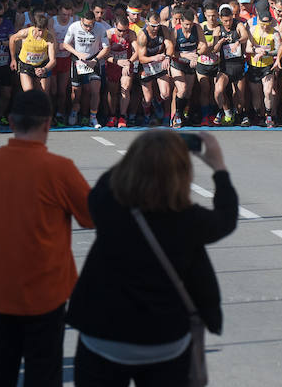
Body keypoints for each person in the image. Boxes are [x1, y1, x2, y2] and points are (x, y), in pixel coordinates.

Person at [66, 130, 237, 387]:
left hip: (103, 334)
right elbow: (226, 218)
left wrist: (143, 154)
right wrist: (219, 168)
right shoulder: (187, 219)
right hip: (164, 339)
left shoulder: (108, 204)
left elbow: (105, 183)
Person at [0, 90, 94, 386]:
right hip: (45, 295)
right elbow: (90, 217)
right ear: (48, 124)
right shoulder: (59, 168)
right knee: (43, 374)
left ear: (11, 121)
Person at [64, 11, 111, 128]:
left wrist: (95, 60)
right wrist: (77, 53)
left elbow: (106, 48)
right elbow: (65, 44)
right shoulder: (74, 26)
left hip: (93, 60)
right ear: (81, 21)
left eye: (91, 25)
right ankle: (74, 112)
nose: (89, 28)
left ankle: (93, 117)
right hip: (78, 60)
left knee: (95, 90)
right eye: (86, 25)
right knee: (76, 92)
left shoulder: (100, 28)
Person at [8, 10, 58, 94]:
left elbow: (53, 60)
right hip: (26, 65)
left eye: (43, 30)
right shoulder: (26, 32)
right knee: (29, 93)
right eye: (39, 30)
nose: (41, 33)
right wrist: (13, 59)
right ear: (34, 27)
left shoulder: (49, 37)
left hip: (42, 65)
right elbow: (12, 39)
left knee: (43, 93)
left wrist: (44, 69)